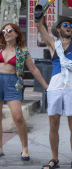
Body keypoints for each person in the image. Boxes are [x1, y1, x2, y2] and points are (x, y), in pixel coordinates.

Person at [35, 0, 72, 169]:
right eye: (64, 25)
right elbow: (39, 25)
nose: (68, 27)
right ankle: (54, 159)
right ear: (58, 29)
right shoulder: (53, 44)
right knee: (53, 124)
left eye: (69, 26)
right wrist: (41, 2)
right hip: (56, 87)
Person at [0, 24, 49, 160]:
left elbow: (33, 69)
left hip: (12, 83)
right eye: (4, 31)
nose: (6, 33)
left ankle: (25, 147)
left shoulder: (22, 51)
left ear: (16, 34)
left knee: (18, 117)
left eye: (9, 30)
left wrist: (46, 85)